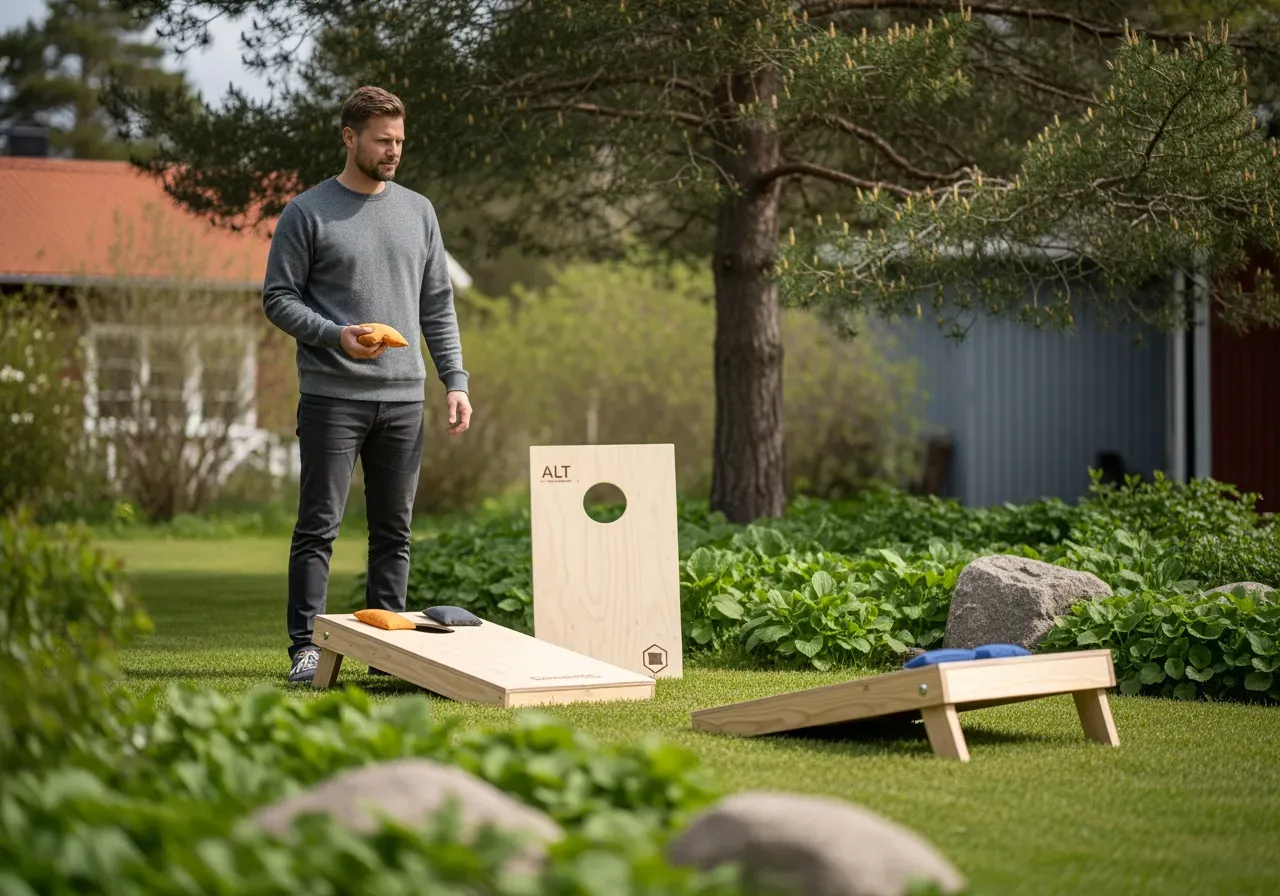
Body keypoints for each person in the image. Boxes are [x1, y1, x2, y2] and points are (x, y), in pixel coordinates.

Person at [261, 85, 472, 683]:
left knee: (394, 532)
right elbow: (278, 298)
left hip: (405, 399)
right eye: (383, 140)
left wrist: (455, 380)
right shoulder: (307, 212)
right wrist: (336, 336)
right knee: (318, 528)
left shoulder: (419, 211)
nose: (394, 151)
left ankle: (387, 655)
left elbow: (437, 305)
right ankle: (306, 648)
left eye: (400, 140)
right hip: (332, 397)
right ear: (350, 137)